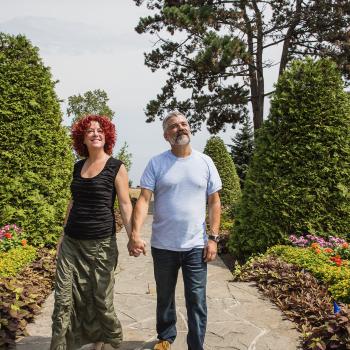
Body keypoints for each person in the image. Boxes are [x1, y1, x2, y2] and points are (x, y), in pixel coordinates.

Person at [129, 111, 222, 350]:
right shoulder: (156, 163)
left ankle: (196, 345)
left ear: (189, 129)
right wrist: (135, 234)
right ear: (165, 135)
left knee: (197, 300)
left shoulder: (205, 162)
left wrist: (213, 238)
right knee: (165, 297)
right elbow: (143, 199)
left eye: (184, 124)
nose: (180, 128)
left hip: (195, 246)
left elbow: (214, 201)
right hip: (163, 246)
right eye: (173, 126)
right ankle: (166, 339)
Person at [50, 115, 144, 350]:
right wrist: (62, 237)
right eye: (90, 131)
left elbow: (124, 204)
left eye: (100, 130)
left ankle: (102, 339)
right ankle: (63, 344)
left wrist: (134, 236)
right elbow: (73, 202)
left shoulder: (116, 166)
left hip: (101, 243)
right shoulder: (77, 166)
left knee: (100, 297)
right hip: (72, 241)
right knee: (64, 297)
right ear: (82, 137)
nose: (95, 133)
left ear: (107, 136)